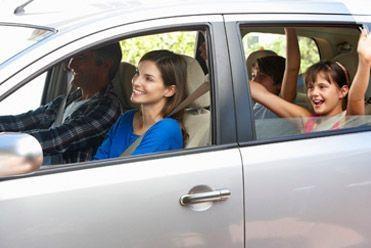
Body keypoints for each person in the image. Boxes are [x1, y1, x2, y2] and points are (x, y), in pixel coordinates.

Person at [0, 43, 122, 164]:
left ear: (105, 66)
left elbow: (58, 139)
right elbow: (25, 120)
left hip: (66, 180)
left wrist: (7, 143)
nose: (70, 65)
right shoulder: (66, 100)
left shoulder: (108, 108)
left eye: (81, 57)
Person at [250, 28, 371, 132]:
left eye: (322, 87)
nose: (314, 93)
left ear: (343, 91)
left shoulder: (349, 119)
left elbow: (356, 97)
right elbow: (263, 95)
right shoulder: (307, 120)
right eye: (310, 87)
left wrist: (364, 61)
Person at [94, 49, 187, 159]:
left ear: (169, 90)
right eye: (137, 73)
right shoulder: (126, 118)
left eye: (148, 79)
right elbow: (98, 160)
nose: (136, 82)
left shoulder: (168, 128)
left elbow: (129, 171)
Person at [250, 28, 301, 120]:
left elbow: (292, 69)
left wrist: (289, 28)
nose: (254, 81)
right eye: (253, 76)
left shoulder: (282, 104)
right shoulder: (254, 105)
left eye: (262, 76)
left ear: (280, 84)